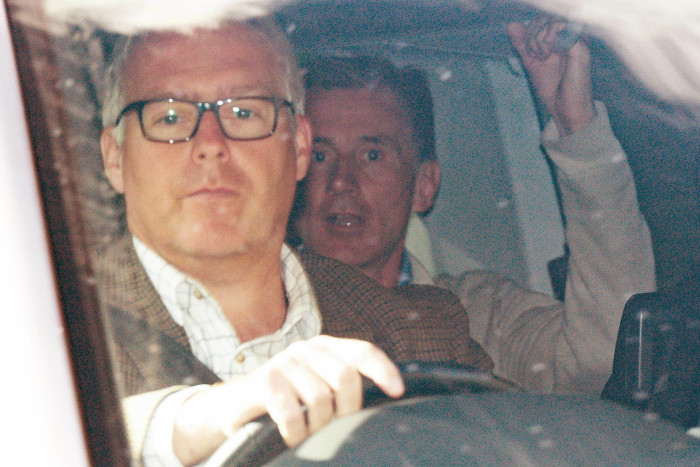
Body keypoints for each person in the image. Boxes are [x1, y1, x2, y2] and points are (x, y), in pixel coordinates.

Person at [96, 17, 494, 466]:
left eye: (244, 113)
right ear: (115, 157)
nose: (209, 143)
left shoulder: (421, 337)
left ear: (301, 147)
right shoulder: (42, 333)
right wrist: (192, 421)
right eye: (168, 117)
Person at [291, 19, 656, 395]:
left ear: (423, 185)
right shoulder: (256, 312)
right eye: (320, 155)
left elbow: (608, 359)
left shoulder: (475, 316)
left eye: (371, 155)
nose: (340, 181)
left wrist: (575, 126)